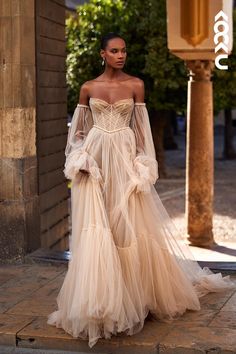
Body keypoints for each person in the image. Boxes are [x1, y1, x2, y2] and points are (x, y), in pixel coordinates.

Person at [47, 32, 234, 348]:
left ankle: (134, 297)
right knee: (98, 228)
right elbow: (77, 133)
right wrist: (80, 159)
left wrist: (142, 165)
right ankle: (102, 303)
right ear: (102, 54)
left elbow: (142, 134)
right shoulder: (88, 88)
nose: (121, 55)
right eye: (115, 51)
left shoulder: (135, 85)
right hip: (95, 162)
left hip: (123, 160)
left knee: (127, 228)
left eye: (124, 50)